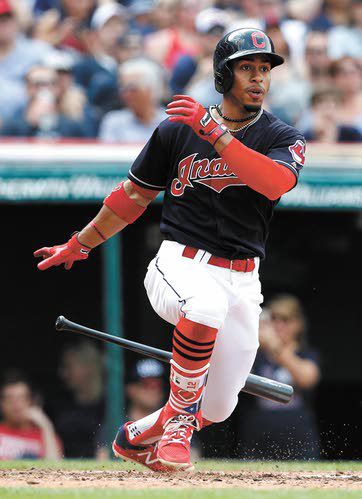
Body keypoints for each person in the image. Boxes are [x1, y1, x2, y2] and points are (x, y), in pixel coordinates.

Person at [34, 28, 306, 472]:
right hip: (180, 263)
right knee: (204, 307)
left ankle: (135, 435)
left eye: (264, 69)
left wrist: (214, 134)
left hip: (243, 278)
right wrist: (80, 242)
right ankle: (178, 425)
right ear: (224, 74)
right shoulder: (177, 131)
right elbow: (131, 197)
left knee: (218, 407)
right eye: (246, 68)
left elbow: (275, 183)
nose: (258, 78)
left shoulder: (282, 136)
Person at [239, 295, 321, 460]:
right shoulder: (256, 353)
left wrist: (275, 346)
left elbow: (308, 378)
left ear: (298, 324)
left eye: (285, 320)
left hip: (297, 431)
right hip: (259, 429)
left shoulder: (306, 353)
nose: (279, 325)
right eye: (274, 319)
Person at [50, 341, 105, 458]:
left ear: (88, 368)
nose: (63, 373)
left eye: (68, 367)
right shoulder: (58, 403)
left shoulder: (109, 403)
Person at [0, 65, 87, 138]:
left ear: (57, 88)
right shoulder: (12, 125)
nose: (43, 89)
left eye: (50, 83)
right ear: (27, 89)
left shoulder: (71, 125)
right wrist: (29, 124)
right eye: (37, 84)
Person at [98, 57, 166, 143]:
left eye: (132, 89)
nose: (126, 95)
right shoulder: (113, 122)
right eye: (123, 89)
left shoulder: (171, 123)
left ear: (151, 90)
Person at [0, 372, 62, 460]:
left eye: (21, 398)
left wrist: (46, 425)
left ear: (31, 402)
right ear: (2, 403)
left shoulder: (45, 435)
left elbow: (56, 468)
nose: (16, 405)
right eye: (10, 399)